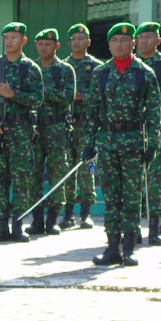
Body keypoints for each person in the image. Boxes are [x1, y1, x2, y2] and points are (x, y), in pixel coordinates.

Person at [83, 22, 161, 266]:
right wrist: (89, 142)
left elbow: (154, 112)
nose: (119, 44)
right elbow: (93, 111)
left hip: (133, 143)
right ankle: (112, 247)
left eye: (124, 41)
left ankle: (129, 248)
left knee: (132, 196)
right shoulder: (101, 73)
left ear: (133, 44)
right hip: (107, 143)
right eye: (115, 41)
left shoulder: (144, 73)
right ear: (109, 45)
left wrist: (153, 143)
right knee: (111, 197)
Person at [0, 22, 43, 242]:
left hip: (21, 130)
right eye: (6, 37)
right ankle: (1, 226)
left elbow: (38, 99)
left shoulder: (30, 68)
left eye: (14, 37)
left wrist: (13, 94)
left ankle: (18, 224)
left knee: (21, 179)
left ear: (23, 41)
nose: (9, 41)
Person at [26, 28, 76, 236]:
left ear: (56, 46)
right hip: (34, 127)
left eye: (48, 44)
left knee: (57, 173)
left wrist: (47, 92)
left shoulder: (65, 69)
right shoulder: (30, 69)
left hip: (56, 127)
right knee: (33, 173)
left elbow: (69, 97)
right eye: (40, 44)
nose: (43, 47)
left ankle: (53, 219)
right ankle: (36, 219)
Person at [134, 21, 161, 245]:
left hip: (155, 129)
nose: (144, 41)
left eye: (149, 37)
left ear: (158, 41)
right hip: (130, 131)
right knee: (132, 182)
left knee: (156, 181)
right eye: (141, 38)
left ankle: (155, 229)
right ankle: (132, 228)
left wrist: (143, 98)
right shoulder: (127, 64)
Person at [62, 23, 103, 229]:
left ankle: (86, 213)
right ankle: (68, 213)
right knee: (67, 168)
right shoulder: (63, 66)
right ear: (69, 43)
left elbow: (101, 97)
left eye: (81, 38)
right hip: (67, 125)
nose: (77, 42)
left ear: (88, 42)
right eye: (74, 39)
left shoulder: (97, 66)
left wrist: (81, 97)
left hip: (89, 127)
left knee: (89, 168)